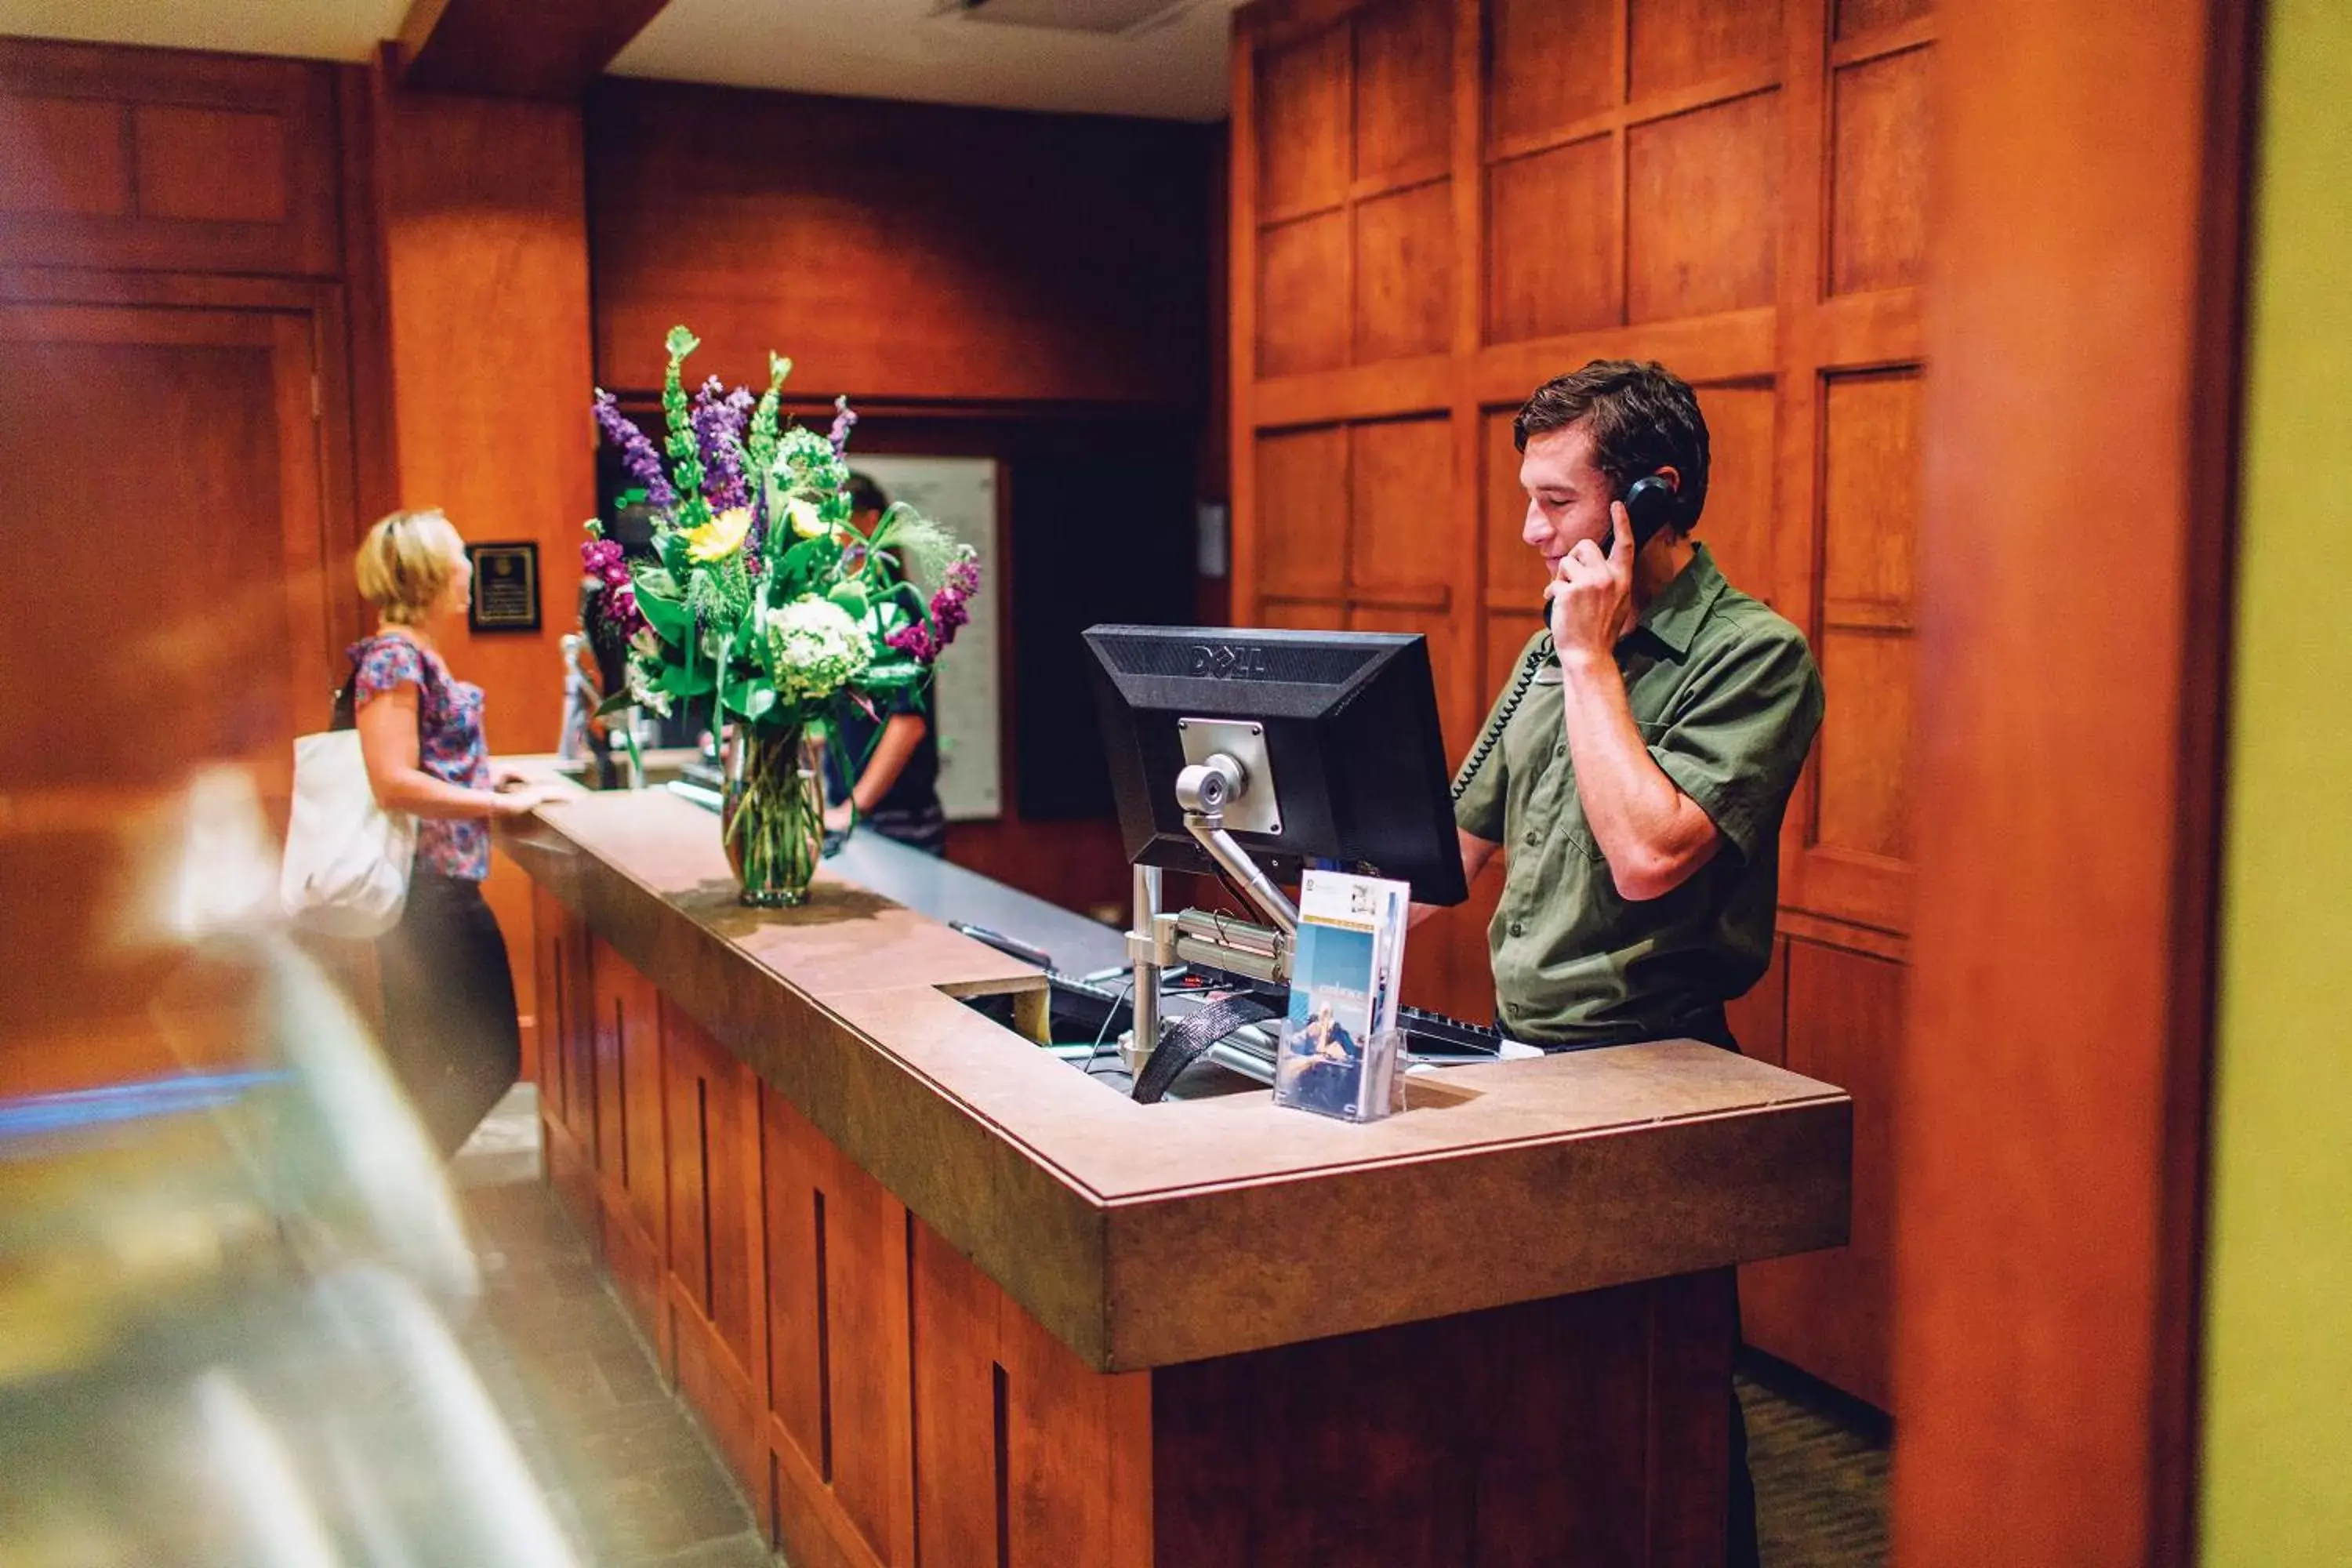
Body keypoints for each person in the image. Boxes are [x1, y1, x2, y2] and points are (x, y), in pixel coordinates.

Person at [1441, 361, 1825, 1568]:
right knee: (1540, 1395)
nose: (1530, 532)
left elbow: (1653, 853)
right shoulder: (1552, 644)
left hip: (1653, 1074)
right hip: (1524, 1064)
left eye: (1556, 502)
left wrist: (1592, 663)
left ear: (1649, 501)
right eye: (1527, 498)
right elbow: (1449, 847)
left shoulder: (1753, 655)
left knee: (1666, 1402)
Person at [348, 509, 561, 1156]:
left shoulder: (410, 656)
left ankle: (390, 1211)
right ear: (430, 574)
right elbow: (393, 779)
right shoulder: (395, 657)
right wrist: (493, 809)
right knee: (488, 1060)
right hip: (429, 893)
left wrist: (489, 780)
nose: (470, 569)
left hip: (433, 890)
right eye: (458, 557)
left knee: (422, 1067)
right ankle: (393, 1201)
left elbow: (428, 760)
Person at [822, 472, 948, 855]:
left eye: (836, 518)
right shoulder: (849, 607)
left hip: (895, 820)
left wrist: (851, 810)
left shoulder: (898, 608)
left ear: (870, 522)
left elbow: (907, 723)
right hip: (858, 812)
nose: (826, 533)